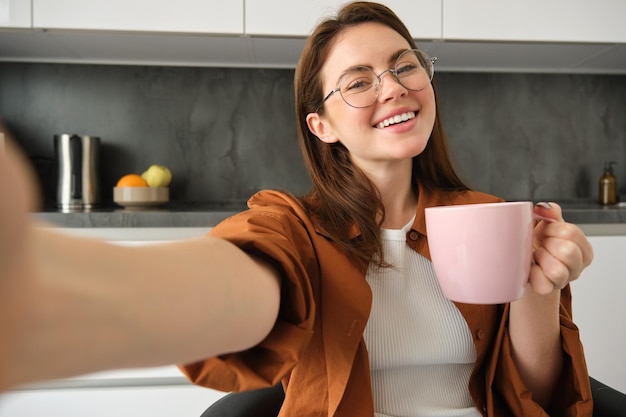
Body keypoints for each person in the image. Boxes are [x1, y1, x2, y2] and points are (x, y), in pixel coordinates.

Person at [0, 2, 594, 416]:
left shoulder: (490, 217)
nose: (392, 87)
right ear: (322, 125)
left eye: (404, 64)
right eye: (358, 82)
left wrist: (538, 287)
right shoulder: (297, 228)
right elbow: (248, 273)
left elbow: (535, 393)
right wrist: (57, 297)